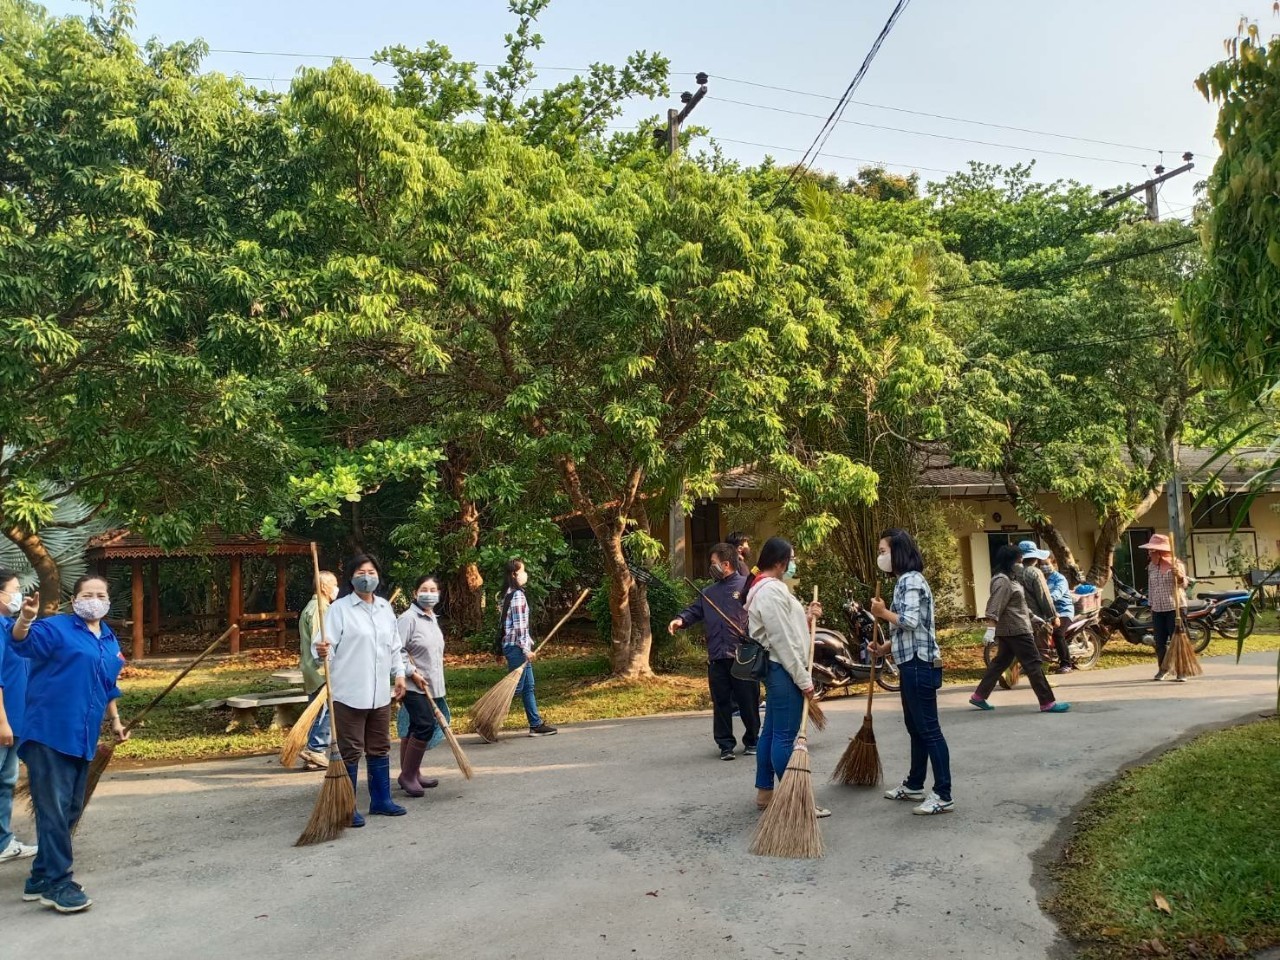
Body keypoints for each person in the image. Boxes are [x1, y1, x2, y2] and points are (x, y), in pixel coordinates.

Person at [9, 575, 128, 913]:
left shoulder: (108, 637)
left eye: (101, 595)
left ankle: (39, 877)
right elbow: (22, 643)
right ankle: (59, 883)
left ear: (108, 600)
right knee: (55, 811)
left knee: (70, 809)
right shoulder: (55, 629)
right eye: (87, 594)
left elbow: (108, 684)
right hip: (49, 732)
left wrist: (115, 721)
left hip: (83, 735)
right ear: (74, 600)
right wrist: (25, 618)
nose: (94, 600)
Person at [314, 554, 407, 826]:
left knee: (379, 746)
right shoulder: (339, 610)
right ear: (351, 577)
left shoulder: (384, 608)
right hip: (349, 693)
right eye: (361, 572)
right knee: (351, 749)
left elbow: (394, 646)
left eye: (371, 572)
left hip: (380, 694)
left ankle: (381, 800)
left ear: (378, 576)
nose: (367, 577)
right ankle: (346, 806)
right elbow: (324, 648)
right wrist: (322, 651)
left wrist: (400, 674)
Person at [869, 530, 953, 816]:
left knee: (928, 729)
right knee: (916, 728)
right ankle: (915, 784)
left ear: (898, 552)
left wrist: (882, 613)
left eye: (883, 551)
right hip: (911, 661)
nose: (880, 556)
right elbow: (908, 631)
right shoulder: (904, 581)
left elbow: (910, 620)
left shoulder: (911, 580)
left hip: (919, 663)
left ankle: (943, 794)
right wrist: (884, 649)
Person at [746, 537, 828, 818]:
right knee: (784, 737)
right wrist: (804, 679)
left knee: (770, 733)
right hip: (782, 670)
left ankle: (765, 793)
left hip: (779, 668)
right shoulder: (769, 592)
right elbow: (782, 641)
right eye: (792, 559)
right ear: (780, 562)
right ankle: (797, 801)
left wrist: (807, 616)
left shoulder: (769, 588)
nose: (794, 564)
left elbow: (788, 628)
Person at [668, 544, 759, 761]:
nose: (711, 567)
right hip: (717, 656)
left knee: (748, 701)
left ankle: (753, 740)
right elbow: (694, 611)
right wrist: (680, 620)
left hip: (743, 655)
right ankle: (725, 745)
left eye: (713, 563)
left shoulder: (748, 586)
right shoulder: (708, 592)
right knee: (721, 703)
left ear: (725, 564)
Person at [971, 545, 1070, 714]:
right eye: (1019, 561)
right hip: (1017, 630)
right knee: (1033, 664)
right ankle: (1047, 702)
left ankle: (979, 696)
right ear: (1010, 562)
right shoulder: (1002, 580)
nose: (1021, 564)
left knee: (1000, 663)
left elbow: (1017, 604)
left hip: (1013, 628)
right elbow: (995, 604)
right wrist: (990, 628)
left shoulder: (1011, 579)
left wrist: (1033, 617)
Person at [396, 576, 448, 796]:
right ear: (415, 593)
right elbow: (396, 650)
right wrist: (411, 673)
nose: (429, 594)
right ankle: (407, 776)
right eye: (424, 589)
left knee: (415, 727)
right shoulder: (408, 619)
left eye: (433, 590)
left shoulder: (432, 618)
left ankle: (413, 772)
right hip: (412, 685)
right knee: (424, 725)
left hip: (431, 684)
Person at [0, 570, 36, 864]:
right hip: (4, 720)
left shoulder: (9, 627)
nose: (18, 595)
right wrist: (2, 722)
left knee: (6, 781)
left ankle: (3, 841)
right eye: (13, 589)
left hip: (16, 719)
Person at [499, 559, 557, 737]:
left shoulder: (507, 594)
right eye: (523, 571)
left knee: (528, 687)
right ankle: (488, 717)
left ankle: (535, 724)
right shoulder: (517, 595)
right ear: (514, 574)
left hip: (513, 646)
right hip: (517, 648)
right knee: (515, 688)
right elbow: (519, 627)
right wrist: (526, 649)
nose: (526, 574)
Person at [297, 571, 339, 770]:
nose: (336, 588)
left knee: (319, 710)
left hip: (313, 669)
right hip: (320, 669)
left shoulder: (315, 607)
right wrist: (327, 662)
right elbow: (319, 642)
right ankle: (316, 748)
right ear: (324, 587)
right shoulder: (320, 610)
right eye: (334, 584)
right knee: (327, 709)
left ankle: (313, 753)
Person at [1141, 533, 1188, 682]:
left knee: (1177, 641)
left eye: (1152, 551)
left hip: (1175, 608)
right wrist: (1151, 605)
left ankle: (1181, 671)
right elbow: (1151, 587)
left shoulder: (1176, 565)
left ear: (1160, 552)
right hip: (1158, 609)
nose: (1150, 554)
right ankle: (1163, 668)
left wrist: (1178, 576)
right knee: (1160, 642)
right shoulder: (1151, 567)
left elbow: (1184, 584)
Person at [1041, 555, 1076, 674]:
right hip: (1049, 612)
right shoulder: (1041, 579)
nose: (1044, 567)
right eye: (1042, 564)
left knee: (1057, 634)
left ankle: (1066, 664)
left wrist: (1047, 599)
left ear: (1054, 564)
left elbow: (1057, 593)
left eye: (1047, 564)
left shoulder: (1060, 579)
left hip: (1064, 611)